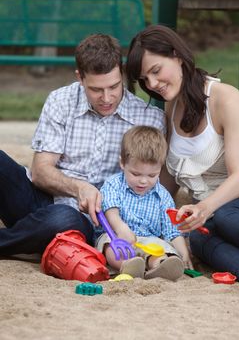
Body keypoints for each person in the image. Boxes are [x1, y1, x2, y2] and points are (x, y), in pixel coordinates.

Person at [125, 24, 239, 296]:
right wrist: (144, 210)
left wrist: (204, 208)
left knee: (224, 217)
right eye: (145, 79)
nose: (153, 84)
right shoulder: (170, 106)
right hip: (215, 213)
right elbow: (167, 178)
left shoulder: (225, 99)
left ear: (177, 55)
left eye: (156, 71)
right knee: (198, 239)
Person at [0, 33, 166, 257]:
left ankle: (24, 238)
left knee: (63, 219)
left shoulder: (150, 119)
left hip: (95, 222)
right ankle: (32, 237)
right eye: (96, 90)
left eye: (114, 87)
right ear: (80, 77)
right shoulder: (60, 101)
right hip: (42, 201)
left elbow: (153, 186)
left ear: (122, 72)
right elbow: (40, 172)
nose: (106, 98)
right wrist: (79, 187)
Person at [97, 125, 192, 280]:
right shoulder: (114, 184)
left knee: (162, 249)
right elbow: (110, 210)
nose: (143, 181)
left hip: (149, 239)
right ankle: (127, 265)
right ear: (122, 163)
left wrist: (184, 253)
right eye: (135, 173)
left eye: (152, 175)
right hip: (117, 236)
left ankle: (160, 265)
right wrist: (120, 227)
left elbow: (171, 231)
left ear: (160, 169)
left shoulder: (163, 196)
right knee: (110, 245)